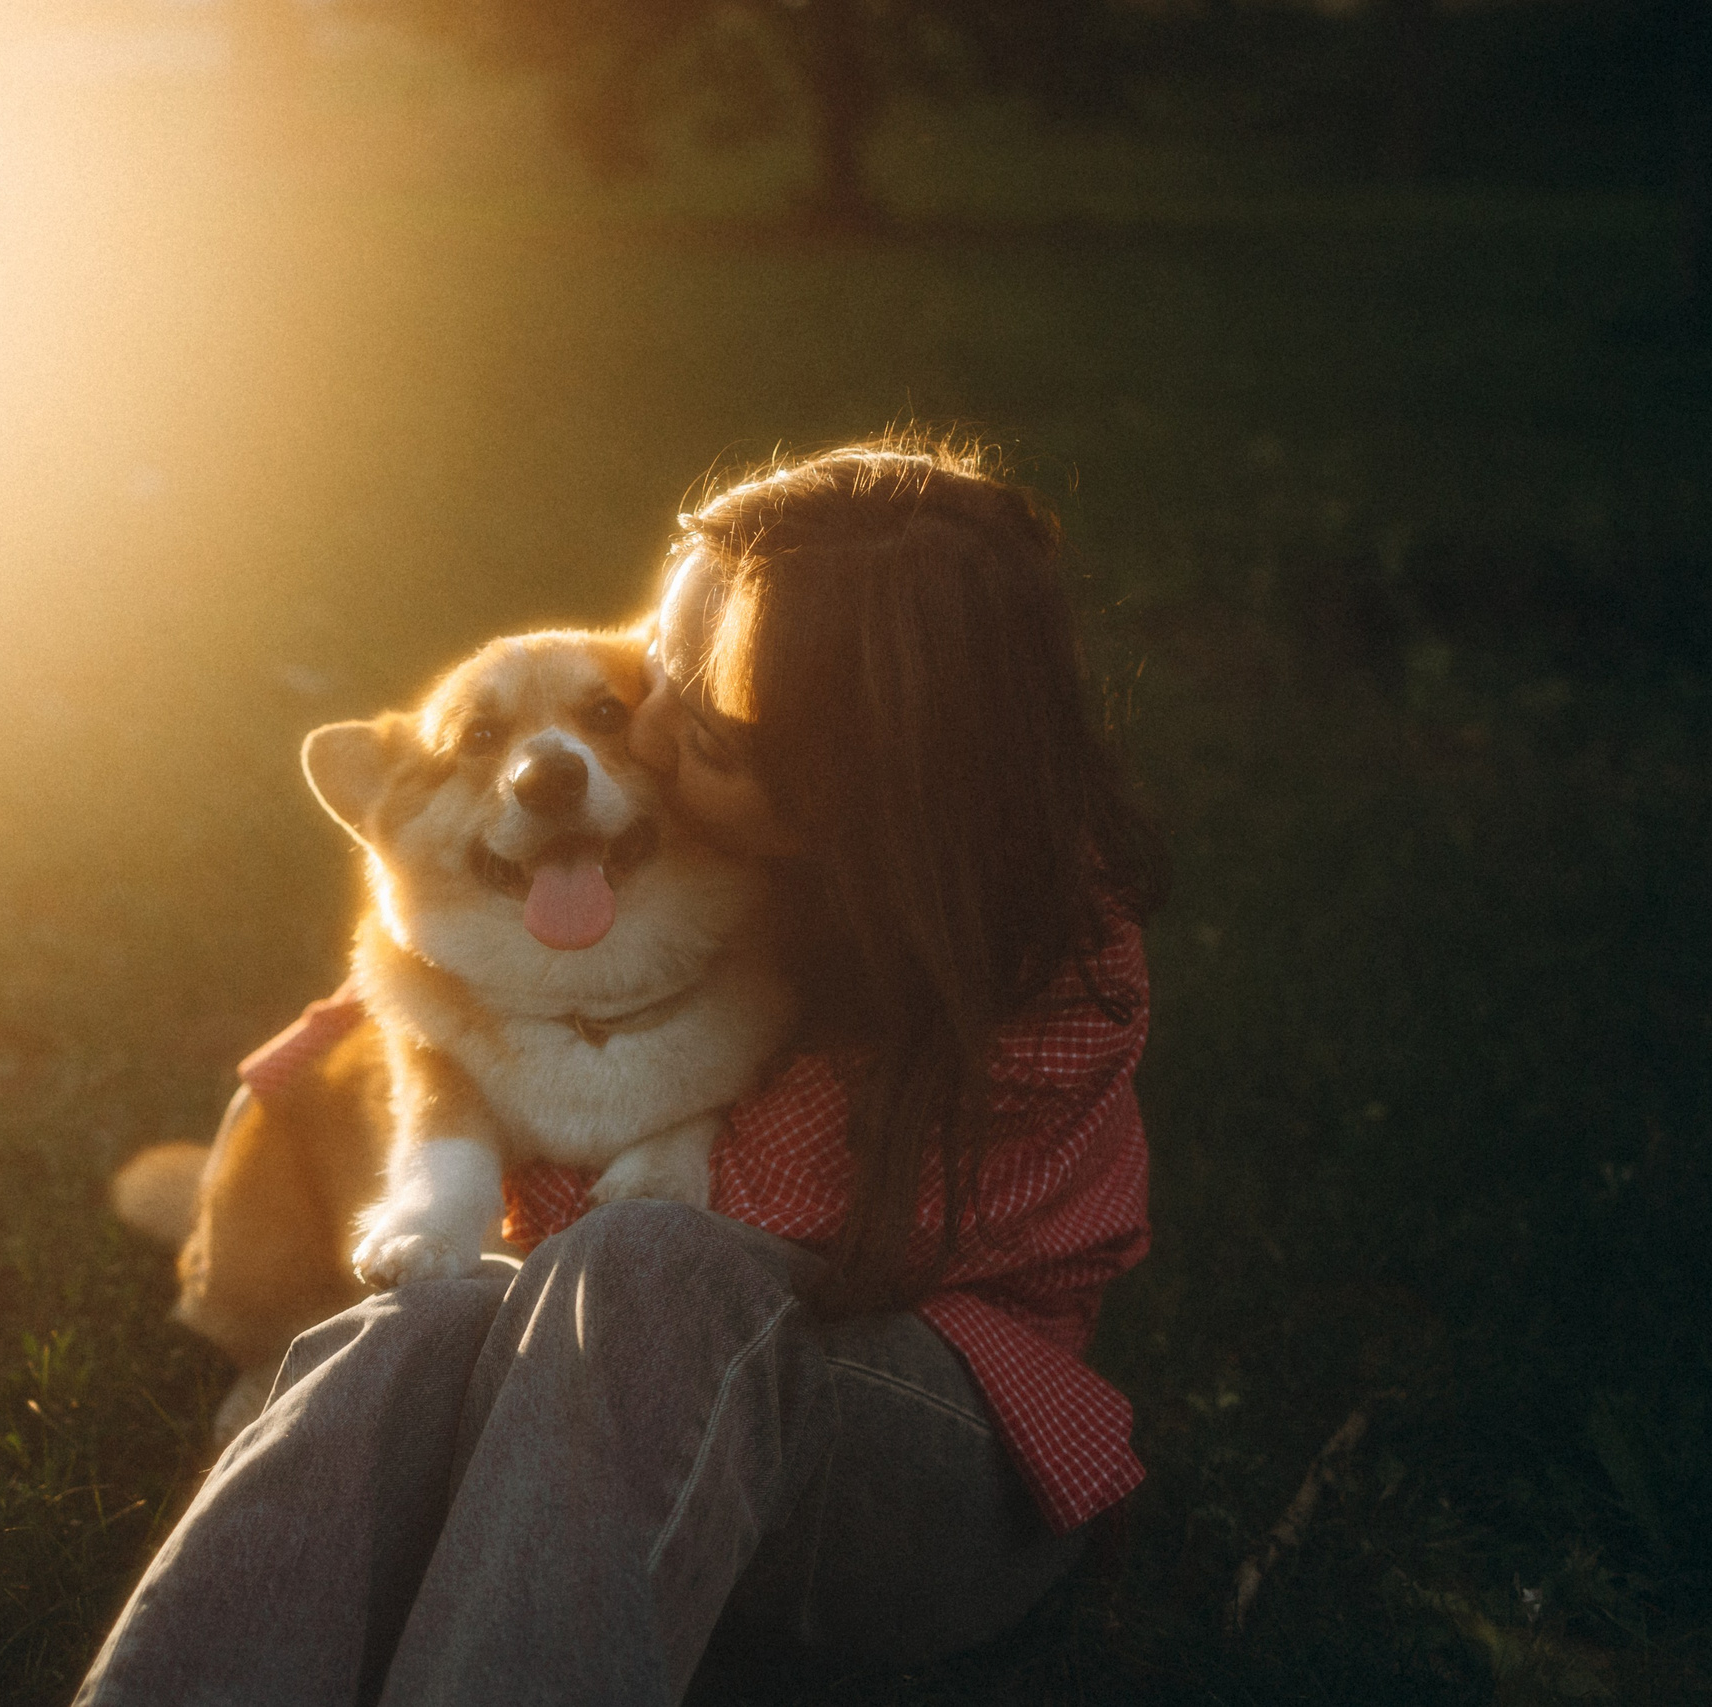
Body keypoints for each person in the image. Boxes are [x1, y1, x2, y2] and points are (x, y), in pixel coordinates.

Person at [72, 438, 1167, 1706]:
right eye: (660, 658)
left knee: (637, 1252)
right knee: (421, 1313)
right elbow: (462, 1003)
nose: (640, 727)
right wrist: (395, 1036)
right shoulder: (714, 853)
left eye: (694, 718)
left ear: (837, 787)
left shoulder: (1040, 971)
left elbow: (689, 1243)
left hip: (926, 1470)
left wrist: (477, 1087)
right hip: (647, 1424)